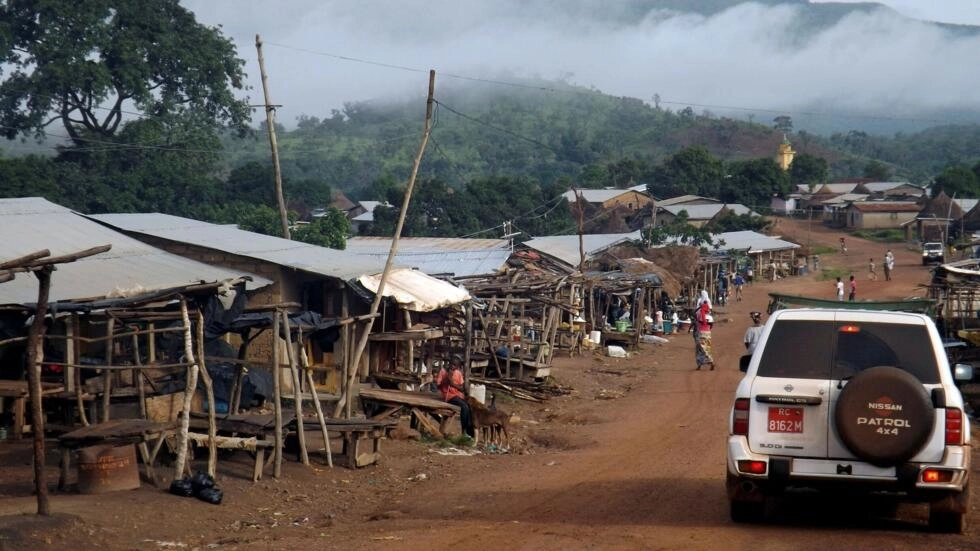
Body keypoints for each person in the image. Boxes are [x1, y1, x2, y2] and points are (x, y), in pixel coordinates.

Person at [436, 354, 475, 439]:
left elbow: (462, 388)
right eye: (451, 364)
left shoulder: (458, 373)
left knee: (470, 407)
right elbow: (438, 386)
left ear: (457, 367)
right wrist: (446, 380)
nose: (452, 366)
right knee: (464, 407)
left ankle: (470, 432)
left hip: (457, 395)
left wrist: (453, 384)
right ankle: (464, 431)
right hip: (448, 396)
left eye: (454, 365)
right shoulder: (443, 371)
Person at [693, 300, 714, 370]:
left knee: (699, 349)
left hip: (701, 333)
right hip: (708, 333)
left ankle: (700, 364)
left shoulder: (700, 315)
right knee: (706, 348)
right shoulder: (709, 317)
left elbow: (696, 321)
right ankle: (710, 362)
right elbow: (711, 326)